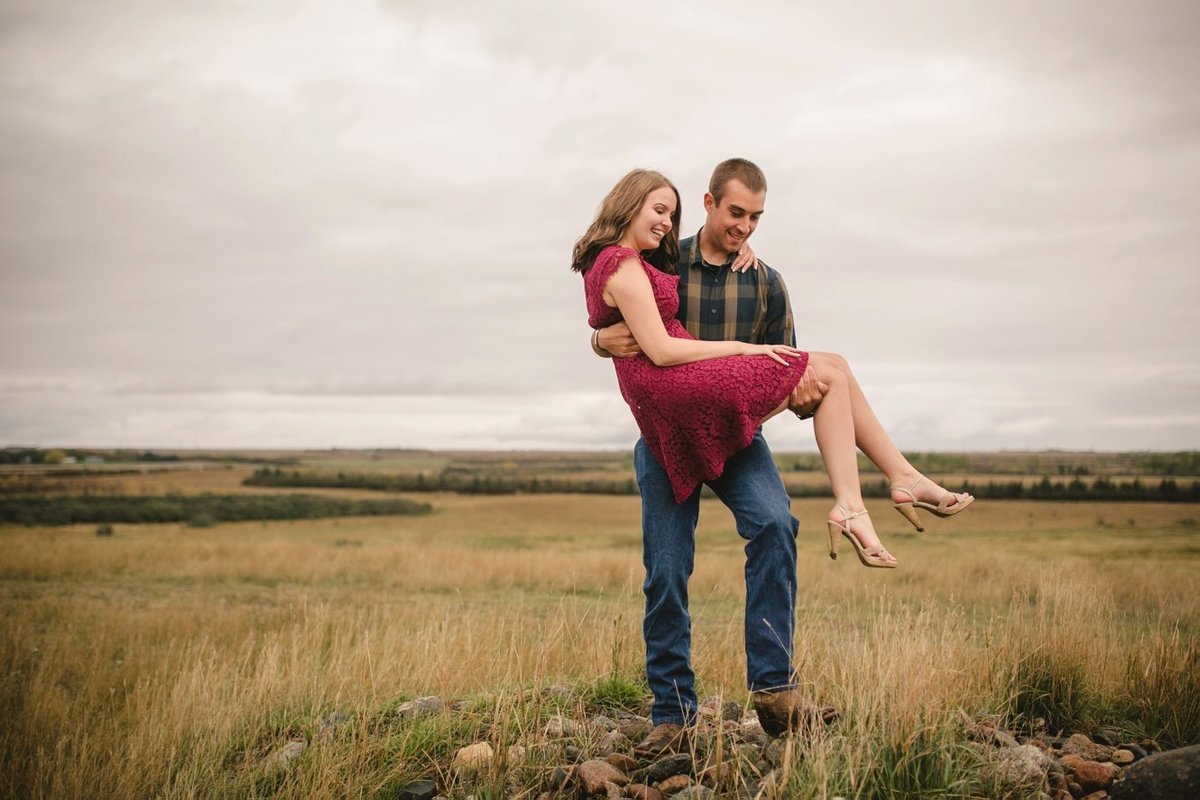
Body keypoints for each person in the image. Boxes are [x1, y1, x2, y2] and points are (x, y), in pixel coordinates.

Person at [573, 160, 973, 751]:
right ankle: (672, 713)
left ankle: (775, 693)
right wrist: (597, 339)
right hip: (667, 435)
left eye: (757, 218)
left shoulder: (766, 281)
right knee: (665, 569)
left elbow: (792, 376)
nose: (745, 229)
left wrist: (797, 388)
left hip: (738, 435)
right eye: (736, 214)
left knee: (776, 525)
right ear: (708, 205)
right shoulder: (663, 255)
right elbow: (617, 310)